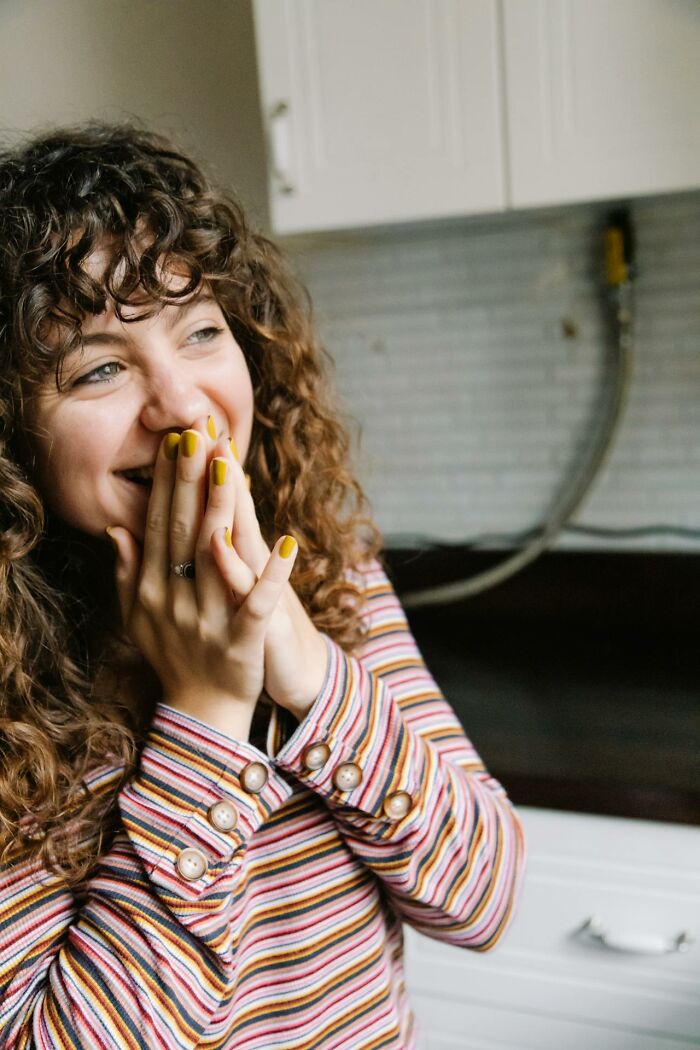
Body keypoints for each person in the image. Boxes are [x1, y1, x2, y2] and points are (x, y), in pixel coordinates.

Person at [0, 120, 527, 1050]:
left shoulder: (327, 569)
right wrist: (205, 712)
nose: (184, 407)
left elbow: (484, 898)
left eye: (201, 331)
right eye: (101, 367)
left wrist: (307, 664)